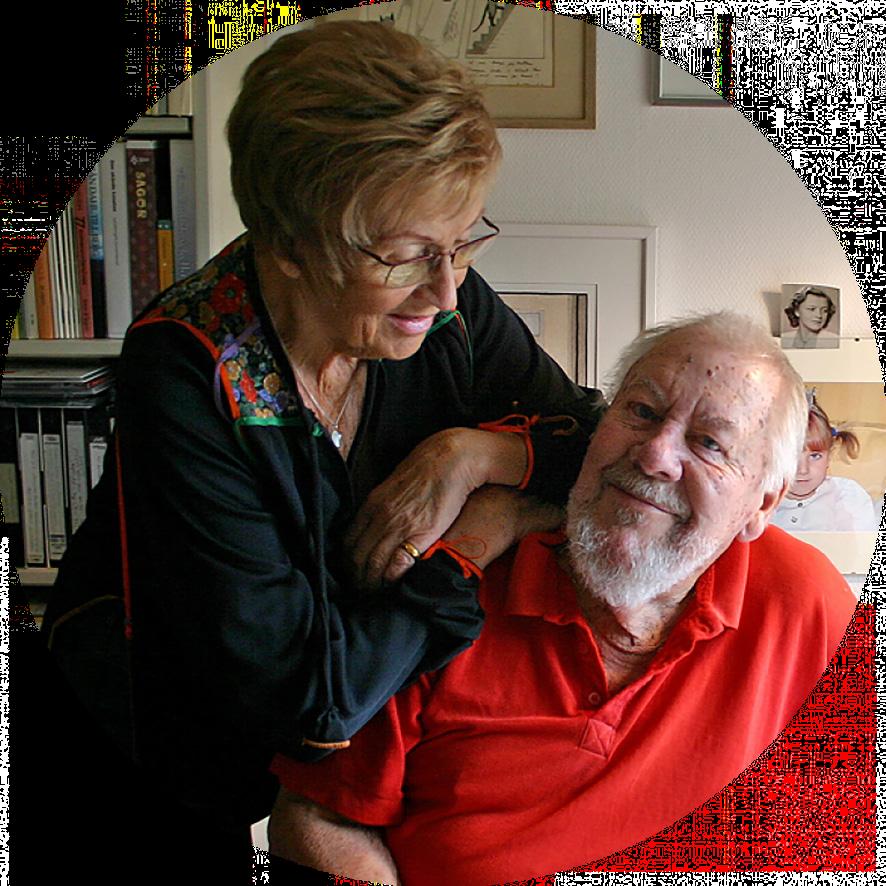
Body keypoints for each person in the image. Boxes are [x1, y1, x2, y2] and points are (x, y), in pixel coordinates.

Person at [38, 20, 602, 879]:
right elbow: (305, 701)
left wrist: (477, 458)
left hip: (357, 757)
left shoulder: (446, 308)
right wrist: (478, 535)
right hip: (171, 752)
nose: (447, 289)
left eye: (461, 242)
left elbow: (598, 444)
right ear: (292, 245)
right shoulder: (188, 372)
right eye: (406, 255)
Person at [268, 313, 857, 886]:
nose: (655, 454)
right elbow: (322, 815)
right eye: (642, 412)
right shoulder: (448, 581)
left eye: (708, 442)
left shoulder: (805, 603)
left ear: (762, 503)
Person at [772, 394, 878, 531]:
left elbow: (864, 543)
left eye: (815, 456)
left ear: (829, 455)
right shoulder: (757, 501)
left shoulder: (848, 498)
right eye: (792, 457)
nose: (803, 470)